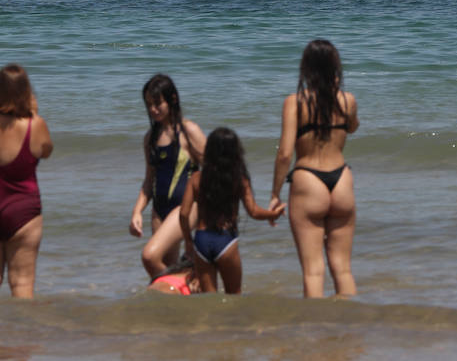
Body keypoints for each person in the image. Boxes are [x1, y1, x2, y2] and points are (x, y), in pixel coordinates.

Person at [270, 39, 359, 297]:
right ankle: (352, 320)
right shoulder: (347, 100)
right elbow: (352, 127)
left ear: (306, 68)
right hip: (342, 180)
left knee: (313, 271)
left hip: (308, 181)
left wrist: (275, 194)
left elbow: (285, 154)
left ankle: (316, 322)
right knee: (343, 269)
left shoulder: (295, 102)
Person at [179, 126, 284, 294]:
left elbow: (184, 214)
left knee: (209, 299)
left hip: (202, 240)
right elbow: (253, 212)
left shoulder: (197, 178)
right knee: (234, 295)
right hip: (225, 240)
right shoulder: (239, 179)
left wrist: (188, 241)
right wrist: (273, 214)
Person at [129, 74, 207, 278]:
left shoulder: (188, 130)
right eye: (149, 105)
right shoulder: (150, 138)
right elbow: (149, 181)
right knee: (163, 267)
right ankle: (190, 287)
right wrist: (137, 212)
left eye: (157, 104)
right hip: (159, 210)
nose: (153, 109)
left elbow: (214, 169)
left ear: (172, 99)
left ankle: (185, 284)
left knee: (150, 256)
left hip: (185, 208)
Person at [0, 64, 54, 298]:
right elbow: (46, 151)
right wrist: (34, 113)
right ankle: (22, 323)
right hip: (24, 212)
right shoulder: (35, 124)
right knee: (22, 285)